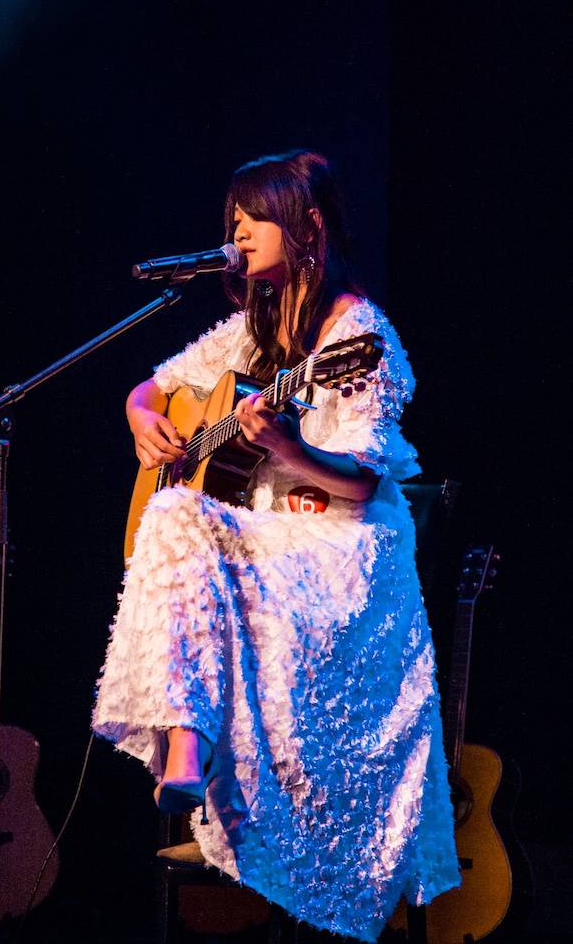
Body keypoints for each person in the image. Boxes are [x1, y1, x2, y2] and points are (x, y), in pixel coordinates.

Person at [92, 150, 459, 943]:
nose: (237, 234)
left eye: (250, 219)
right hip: (275, 534)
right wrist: (138, 412)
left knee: (179, 518)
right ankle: (186, 752)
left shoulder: (359, 335)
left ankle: (205, 770)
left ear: (308, 226)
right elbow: (156, 383)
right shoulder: (256, 320)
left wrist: (287, 452)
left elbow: (361, 482)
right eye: (232, 222)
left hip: (348, 550)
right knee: (175, 510)